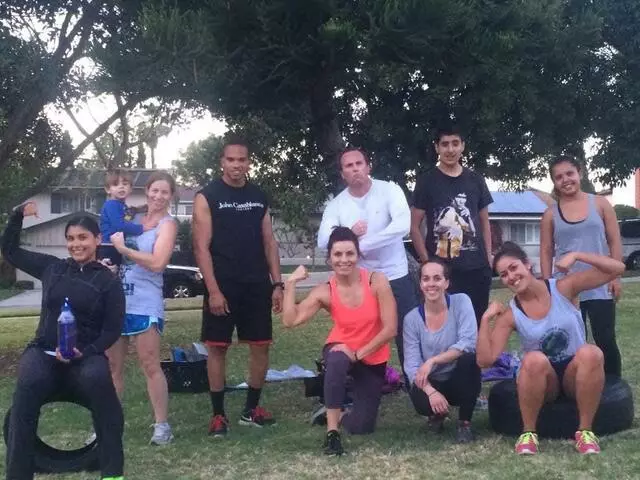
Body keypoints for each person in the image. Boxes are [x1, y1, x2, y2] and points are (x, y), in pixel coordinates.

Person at [2, 201, 125, 480]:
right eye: (70, 238)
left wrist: (86, 351)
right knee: (27, 386)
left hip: (87, 355)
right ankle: (18, 475)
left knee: (101, 387)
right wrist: (17, 214)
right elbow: (10, 251)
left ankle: (112, 474)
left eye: (82, 237)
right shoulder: (53, 268)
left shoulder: (108, 282)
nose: (76, 244)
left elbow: (112, 330)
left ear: (97, 239)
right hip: (44, 351)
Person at [477, 241, 625, 455]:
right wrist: (485, 320)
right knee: (533, 359)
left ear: (527, 265)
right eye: (504, 274)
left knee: (591, 352)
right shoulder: (511, 314)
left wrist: (577, 254)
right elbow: (485, 360)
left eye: (514, 267)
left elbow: (617, 269)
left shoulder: (563, 288)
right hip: (544, 381)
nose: (511, 276)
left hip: (575, 374)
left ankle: (585, 432)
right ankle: (528, 434)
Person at [192, 138, 284, 438]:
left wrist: (277, 283)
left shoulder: (258, 196)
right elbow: (201, 247)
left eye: (242, 160)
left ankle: (251, 410)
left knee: (260, 345)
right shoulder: (207, 196)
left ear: (248, 162)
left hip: (256, 284)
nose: (236, 165)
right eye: (231, 159)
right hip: (223, 283)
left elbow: (269, 242)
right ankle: (218, 415)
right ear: (222, 162)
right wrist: (213, 290)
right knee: (217, 348)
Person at [282, 227, 397, 456]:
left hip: (371, 356)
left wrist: (359, 354)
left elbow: (390, 328)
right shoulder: (325, 291)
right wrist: (291, 283)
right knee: (337, 358)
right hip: (340, 348)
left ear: (358, 255)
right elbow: (290, 320)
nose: (344, 260)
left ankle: (334, 412)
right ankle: (332, 434)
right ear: (329, 258)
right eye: (337, 254)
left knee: (362, 427)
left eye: (349, 253)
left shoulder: (377, 282)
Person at [317, 147, 416, 381]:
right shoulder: (337, 204)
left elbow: (402, 225)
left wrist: (360, 245)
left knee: (408, 334)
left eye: (359, 163)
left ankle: (417, 387)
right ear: (342, 173)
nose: (355, 169)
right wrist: (350, 232)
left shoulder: (389, 190)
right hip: (362, 282)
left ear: (368, 166)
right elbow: (323, 240)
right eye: (349, 166)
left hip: (395, 275)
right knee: (362, 335)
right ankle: (364, 386)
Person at [106, 170, 178, 445]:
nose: (158, 196)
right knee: (112, 367)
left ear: (171, 196)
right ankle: (108, 425)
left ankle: (162, 426)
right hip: (117, 300)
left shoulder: (167, 225)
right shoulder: (131, 217)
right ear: (146, 191)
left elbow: (158, 263)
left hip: (146, 301)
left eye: (164, 192)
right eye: (154, 190)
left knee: (150, 364)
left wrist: (125, 251)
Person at [540, 155, 623, 377]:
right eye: (559, 177)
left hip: (600, 283)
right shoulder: (550, 214)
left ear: (580, 173)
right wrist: (548, 287)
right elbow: (546, 250)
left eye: (570, 173)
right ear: (554, 181)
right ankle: (578, 385)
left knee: (605, 338)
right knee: (574, 343)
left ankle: (614, 386)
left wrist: (615, 278)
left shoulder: (600, 204)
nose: (565, 180)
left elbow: (614, 240)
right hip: (566, 288)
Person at [410, 125, 493, 324]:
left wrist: (488, 258)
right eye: (445, 144)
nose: (450, 149)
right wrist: (427, 262)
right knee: (445, 324)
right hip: (443, 270)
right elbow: (414, 227)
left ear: (462, 146)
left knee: (477, 324)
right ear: (437, 148)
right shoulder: (426, 181)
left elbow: (484, 222)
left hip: (477, 268)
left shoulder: (476, 180)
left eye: (455, 143)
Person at [403, 258, 480, 443]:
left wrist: (433, 360)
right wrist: (430, 392)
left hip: (457, 377)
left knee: (470, 359)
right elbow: (411, 365)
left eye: (437, 278)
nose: (431, 284)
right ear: (420, 284)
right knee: (419, 393)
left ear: (446, 283)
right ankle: (436, 414)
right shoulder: (411, 319)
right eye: (426, 279)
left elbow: (468, 342)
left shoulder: (461, 302)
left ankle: (464, 423)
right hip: (432, 381)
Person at [99, 168, 155, 267]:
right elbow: (119, 225)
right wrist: (142, 228)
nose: (121, 187)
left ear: (131, 188)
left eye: (125, 184)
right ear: (108, 189)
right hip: (109, 246)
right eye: (116, 184)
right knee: (111, 272)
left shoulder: (121, 205)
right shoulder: (111, 205)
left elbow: (126, 218)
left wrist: (137, 210)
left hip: (118, 245)